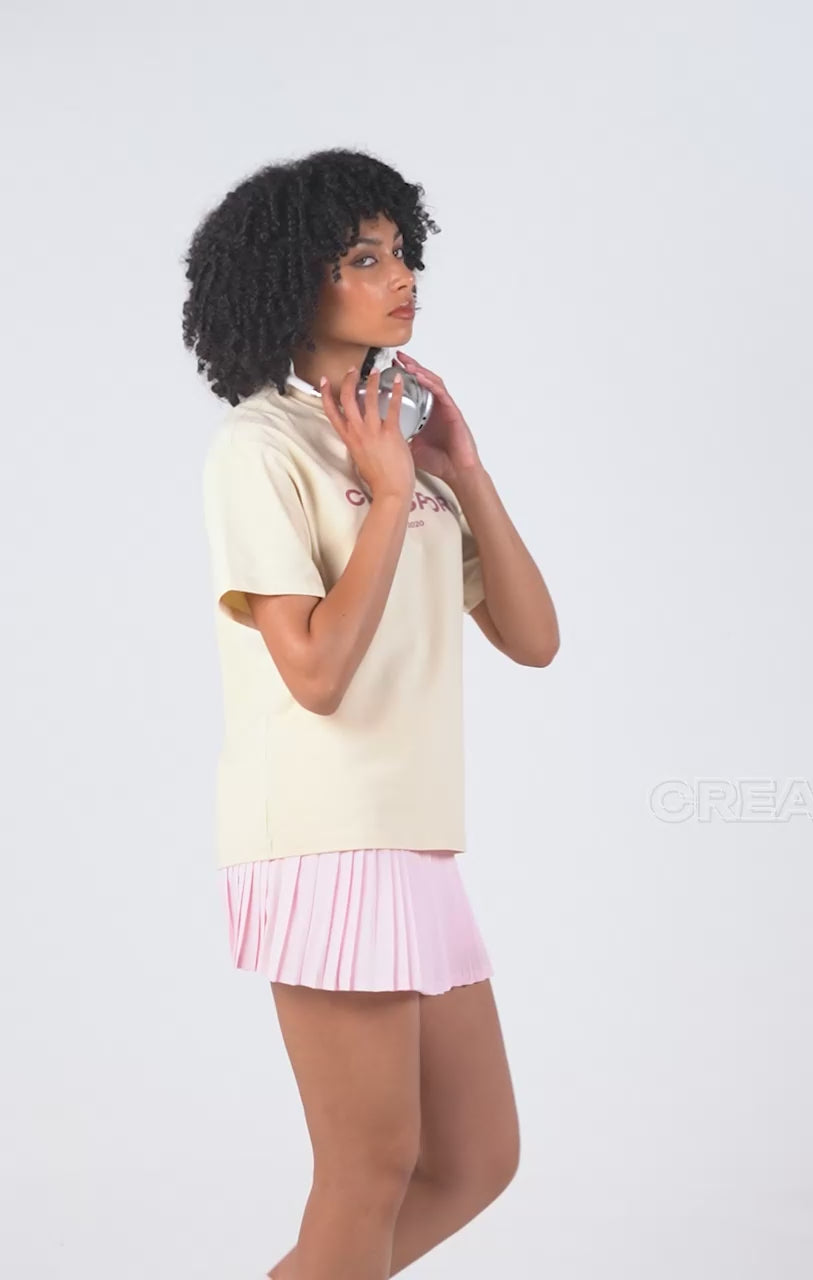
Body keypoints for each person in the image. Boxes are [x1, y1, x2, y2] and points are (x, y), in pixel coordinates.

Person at [181, 146, 559, 1280]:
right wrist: (388, 496)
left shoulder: (408, 451)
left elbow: (534, 639)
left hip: (415, 833)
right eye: (362, 257)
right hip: (324, 832)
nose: (400, 276)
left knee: (477, 1157)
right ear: (292, 276)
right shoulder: (260, 446)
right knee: (370, 1169)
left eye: (401, 252)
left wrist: (461, 471)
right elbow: (314, 672)